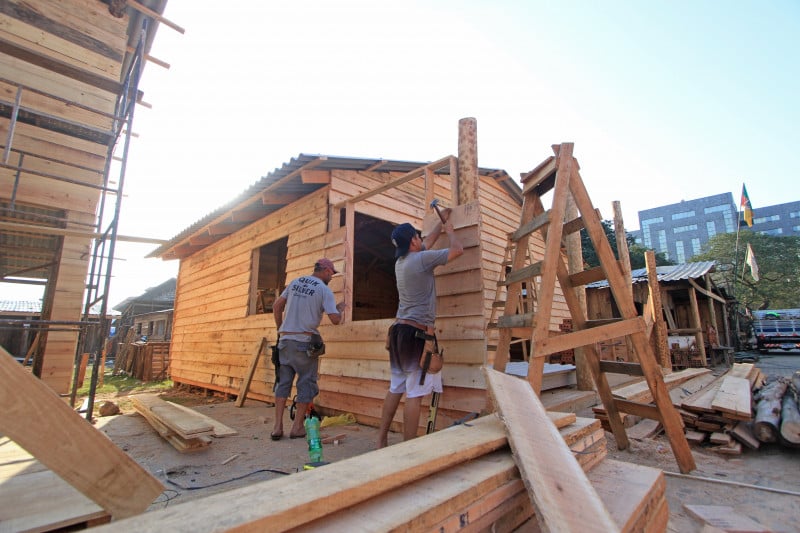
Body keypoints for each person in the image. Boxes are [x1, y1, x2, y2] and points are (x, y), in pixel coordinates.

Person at [377, 211, 463, 448]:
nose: (419, 238)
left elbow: (426, 243)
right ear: (413, 241)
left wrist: (440, 222)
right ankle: (409, 450)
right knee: (414, 393)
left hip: (397, 333)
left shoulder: (402, 262)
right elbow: (457, 251)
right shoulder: (422, 260)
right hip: (415, 335)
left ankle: (381, 440)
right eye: (417, 236)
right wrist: (451, 232)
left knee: (396, 387)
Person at [271, 258, 345, 440]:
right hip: (304, 341)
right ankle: (297, 427)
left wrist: (281, 329)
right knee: (306, 383)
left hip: (285, 341)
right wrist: (341, 308)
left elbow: (276, 306)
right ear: (326, 271)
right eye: (331, 274)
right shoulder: (323, 290)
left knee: (283, 384)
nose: (331, 277)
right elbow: (335, 320)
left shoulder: (295, 282)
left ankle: (277, 428)